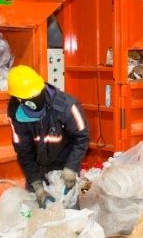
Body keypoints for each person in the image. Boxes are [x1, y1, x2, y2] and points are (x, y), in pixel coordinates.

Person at [7, 65, 90, 208]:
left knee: (69, 212)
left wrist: (70, 168)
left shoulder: (67, 106)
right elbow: (24, 152)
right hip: (38, 168)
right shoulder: (17, 116)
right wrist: (36, 184)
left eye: (36, 94)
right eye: (30, 97)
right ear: (19, 99)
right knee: (36, 214)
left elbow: (82, 138)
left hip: (66, 165)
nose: (35, 98)